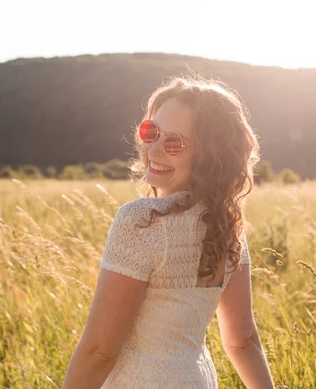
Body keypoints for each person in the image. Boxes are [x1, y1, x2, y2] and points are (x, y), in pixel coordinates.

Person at [62, 76, 275, 388]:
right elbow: (242, 343)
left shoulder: (141, 221)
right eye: (152, 132)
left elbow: (99, 352)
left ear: (208, 155)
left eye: (174, 143)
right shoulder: (228, 225)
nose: (154, 150)